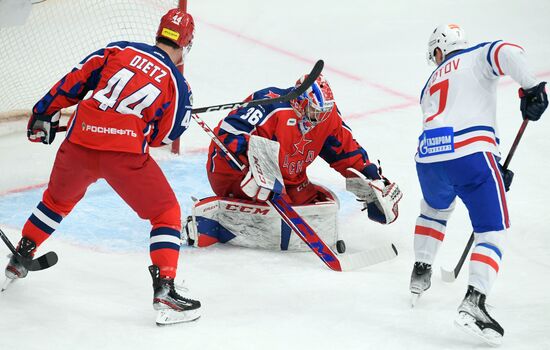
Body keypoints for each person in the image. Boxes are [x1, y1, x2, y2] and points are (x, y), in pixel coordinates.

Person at [4, 8, 201, 325]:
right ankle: (164, 288)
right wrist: (140, 126)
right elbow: (165, 136)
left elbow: (74, 81)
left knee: (56, 202)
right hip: (123, 156)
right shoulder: (178, 83)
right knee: (165, 213)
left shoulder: (120, 49)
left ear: (158, 32)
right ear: (187, 45)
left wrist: (43, 112)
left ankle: (21, 255)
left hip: (79, 142)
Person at [410, 24, 548, 345]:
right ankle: (475, 301)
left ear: (440, 50)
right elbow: (509, 51)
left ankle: (421, 269)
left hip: (428, 157)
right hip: (471, 154)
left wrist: (493, 168)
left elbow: (452, 117)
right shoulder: (477, 54)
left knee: (434, 210)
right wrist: (531, 88)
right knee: (491, 229)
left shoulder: (430, 82)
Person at [185, 74, 402, 251]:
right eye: (315, 111)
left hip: (287, 177)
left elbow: (346, 152)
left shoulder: (326, 117)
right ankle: (219, 222)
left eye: (324, 112)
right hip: (236, 172)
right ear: (301, 102)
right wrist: (249, 166)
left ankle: (269, 212)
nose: (320, 118)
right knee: (271, 189)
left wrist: (373, 179)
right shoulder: (270, 105)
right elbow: (227, 135)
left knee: (320, 205)